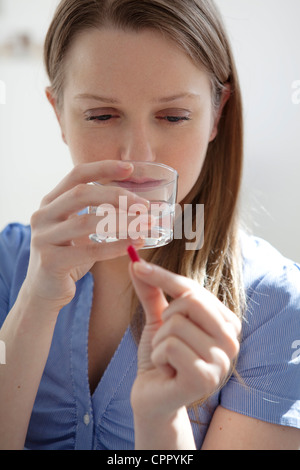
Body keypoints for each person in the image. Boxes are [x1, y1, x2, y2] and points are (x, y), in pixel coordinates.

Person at [0, 0, 299, 451]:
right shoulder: (9, 265)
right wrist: (34, 307)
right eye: (102, 115)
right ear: (59, 114)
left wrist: (162, 423)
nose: (138, 155)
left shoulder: (273, 306)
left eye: (173, 116)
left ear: (217, 114)